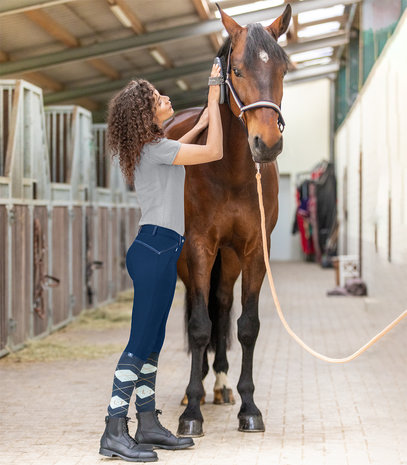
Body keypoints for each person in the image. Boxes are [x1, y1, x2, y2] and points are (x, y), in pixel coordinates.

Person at [99, 63, 223, 462]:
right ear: (145, 114)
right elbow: (214, 151)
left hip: (159, 249)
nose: (166, 99)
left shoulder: (151, 150)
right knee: (139, 344)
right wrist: (214, 102)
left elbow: (180, 147)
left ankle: (147, 423)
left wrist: (200, 120)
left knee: (152, 344)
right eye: (157, 99)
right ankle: (114, 430)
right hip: (156, 249)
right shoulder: (156, 150)